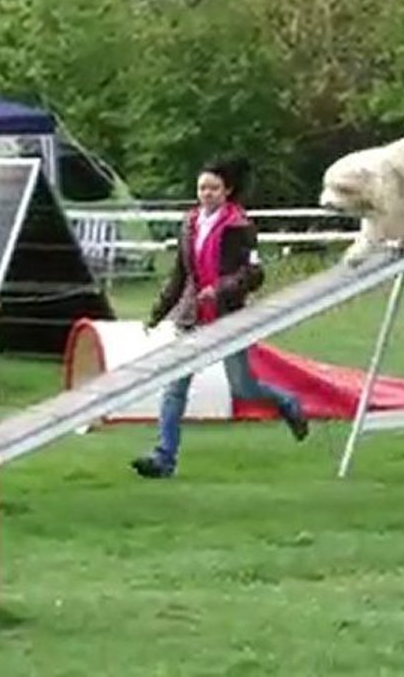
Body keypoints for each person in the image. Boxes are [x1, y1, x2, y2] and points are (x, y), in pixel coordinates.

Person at [131, 156, 309, 479]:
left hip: (228, 318)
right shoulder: (189, 224)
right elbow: (180, 274)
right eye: (202, 187)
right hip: (193, 318)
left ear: (227, 190)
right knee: (174, 387)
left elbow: (254, 274)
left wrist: (220, 289)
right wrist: (158, 313)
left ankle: (286, 402)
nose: (206, 193)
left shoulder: (241, 227)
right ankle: (163, 458)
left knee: (242, 388)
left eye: (213, 187)